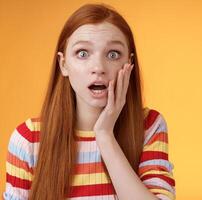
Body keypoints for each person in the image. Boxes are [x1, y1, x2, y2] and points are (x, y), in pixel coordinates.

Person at [3, 3, 176, 200]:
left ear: (129, 64)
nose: (98, 67)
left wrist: (104, 135)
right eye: (83, 53)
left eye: (113, 54)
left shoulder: (149, 126)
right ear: (63, 64)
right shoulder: (28, 139)